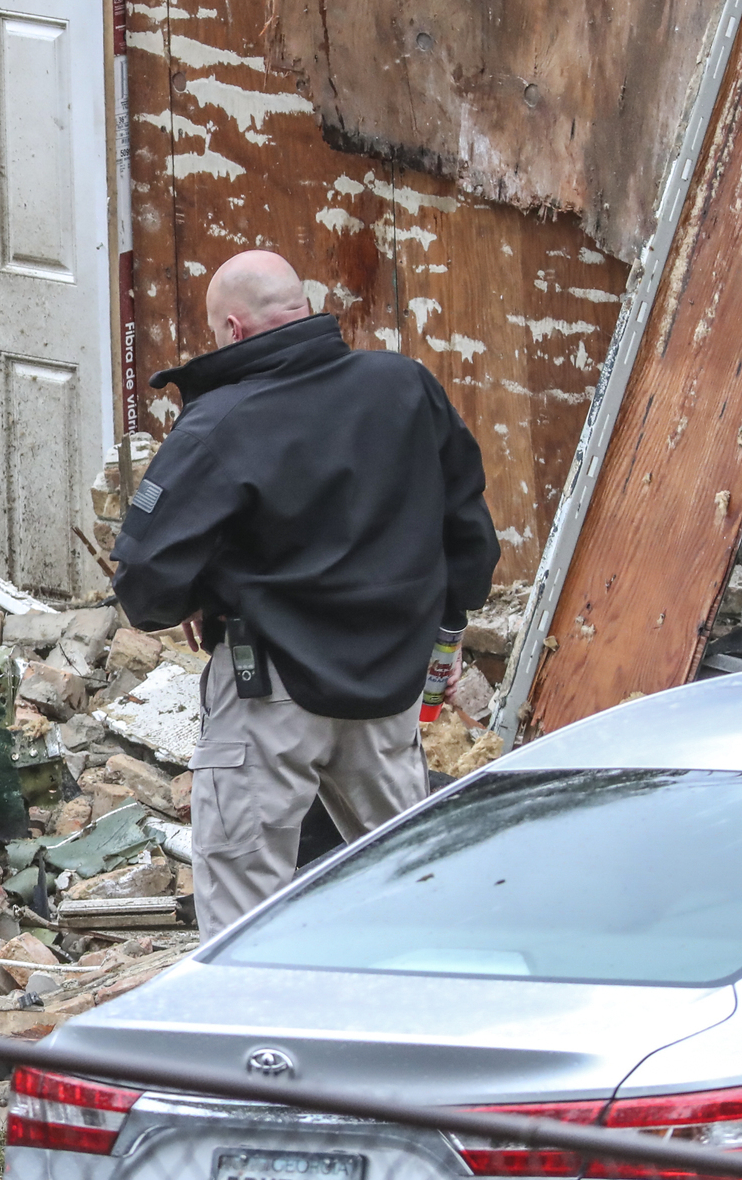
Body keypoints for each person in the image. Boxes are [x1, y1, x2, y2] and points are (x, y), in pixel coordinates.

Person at [111, 250, 499, 938]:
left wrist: (199, 595)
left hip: (271, 692)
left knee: (243, 917)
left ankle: (255, 1044)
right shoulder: (404, 384)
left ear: (231, 329)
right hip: (389, 689)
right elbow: (464, 517)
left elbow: (145, 582)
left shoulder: (218, 423)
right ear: (301, 306)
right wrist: (446, 621)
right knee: (411, 893)